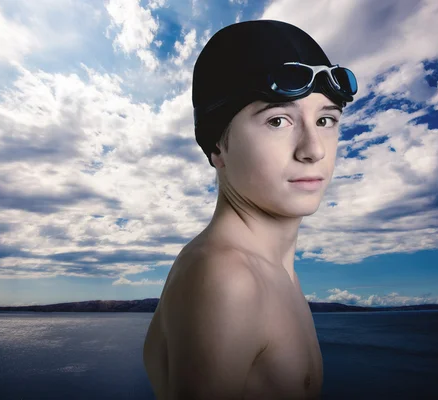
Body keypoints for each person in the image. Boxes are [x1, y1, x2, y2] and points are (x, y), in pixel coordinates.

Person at [143, 19, 357, 399]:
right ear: (217, 147)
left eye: (326, 120)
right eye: (278, 121)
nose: (314, 150)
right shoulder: (227, 278)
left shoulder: (277, 270)